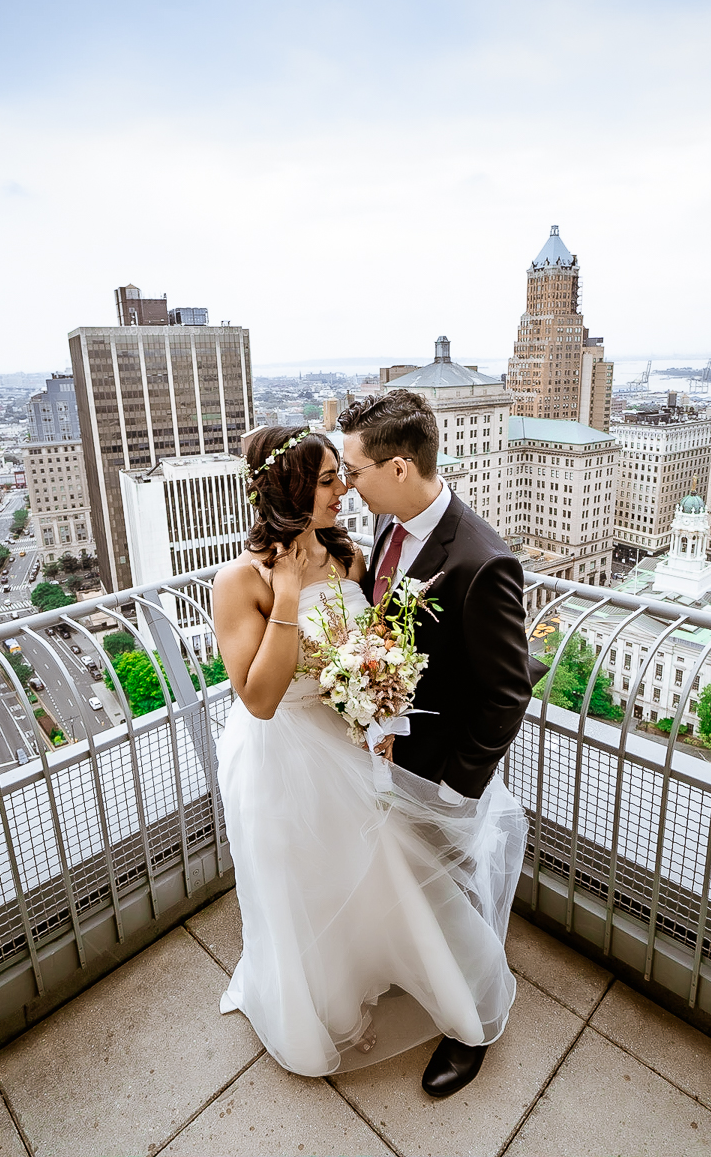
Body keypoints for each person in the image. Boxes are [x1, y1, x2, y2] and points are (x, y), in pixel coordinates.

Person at [210, 423, 527, 1086]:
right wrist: (289, 597)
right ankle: (322, 1001)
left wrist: (376, 702)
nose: (344, 492)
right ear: (292, 487)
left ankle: (460, 1010)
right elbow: (260, 698)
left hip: (350, 752)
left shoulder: (352, 555)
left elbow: (370, 649)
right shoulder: (241, 581)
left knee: (384, 874)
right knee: (302, 886)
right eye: (330, 480)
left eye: (344, 476)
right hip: (280, 755)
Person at [337, 388, 538, 1097]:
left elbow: (508, 691)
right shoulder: (389, 529)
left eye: (354, 469)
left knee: (459, 900)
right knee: (417, 891)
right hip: (396, 758)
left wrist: (458, 790)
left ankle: (471, 1025)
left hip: (447, 775)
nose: (348, 482)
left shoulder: (482, 560)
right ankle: (422, 976)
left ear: (397, 467)